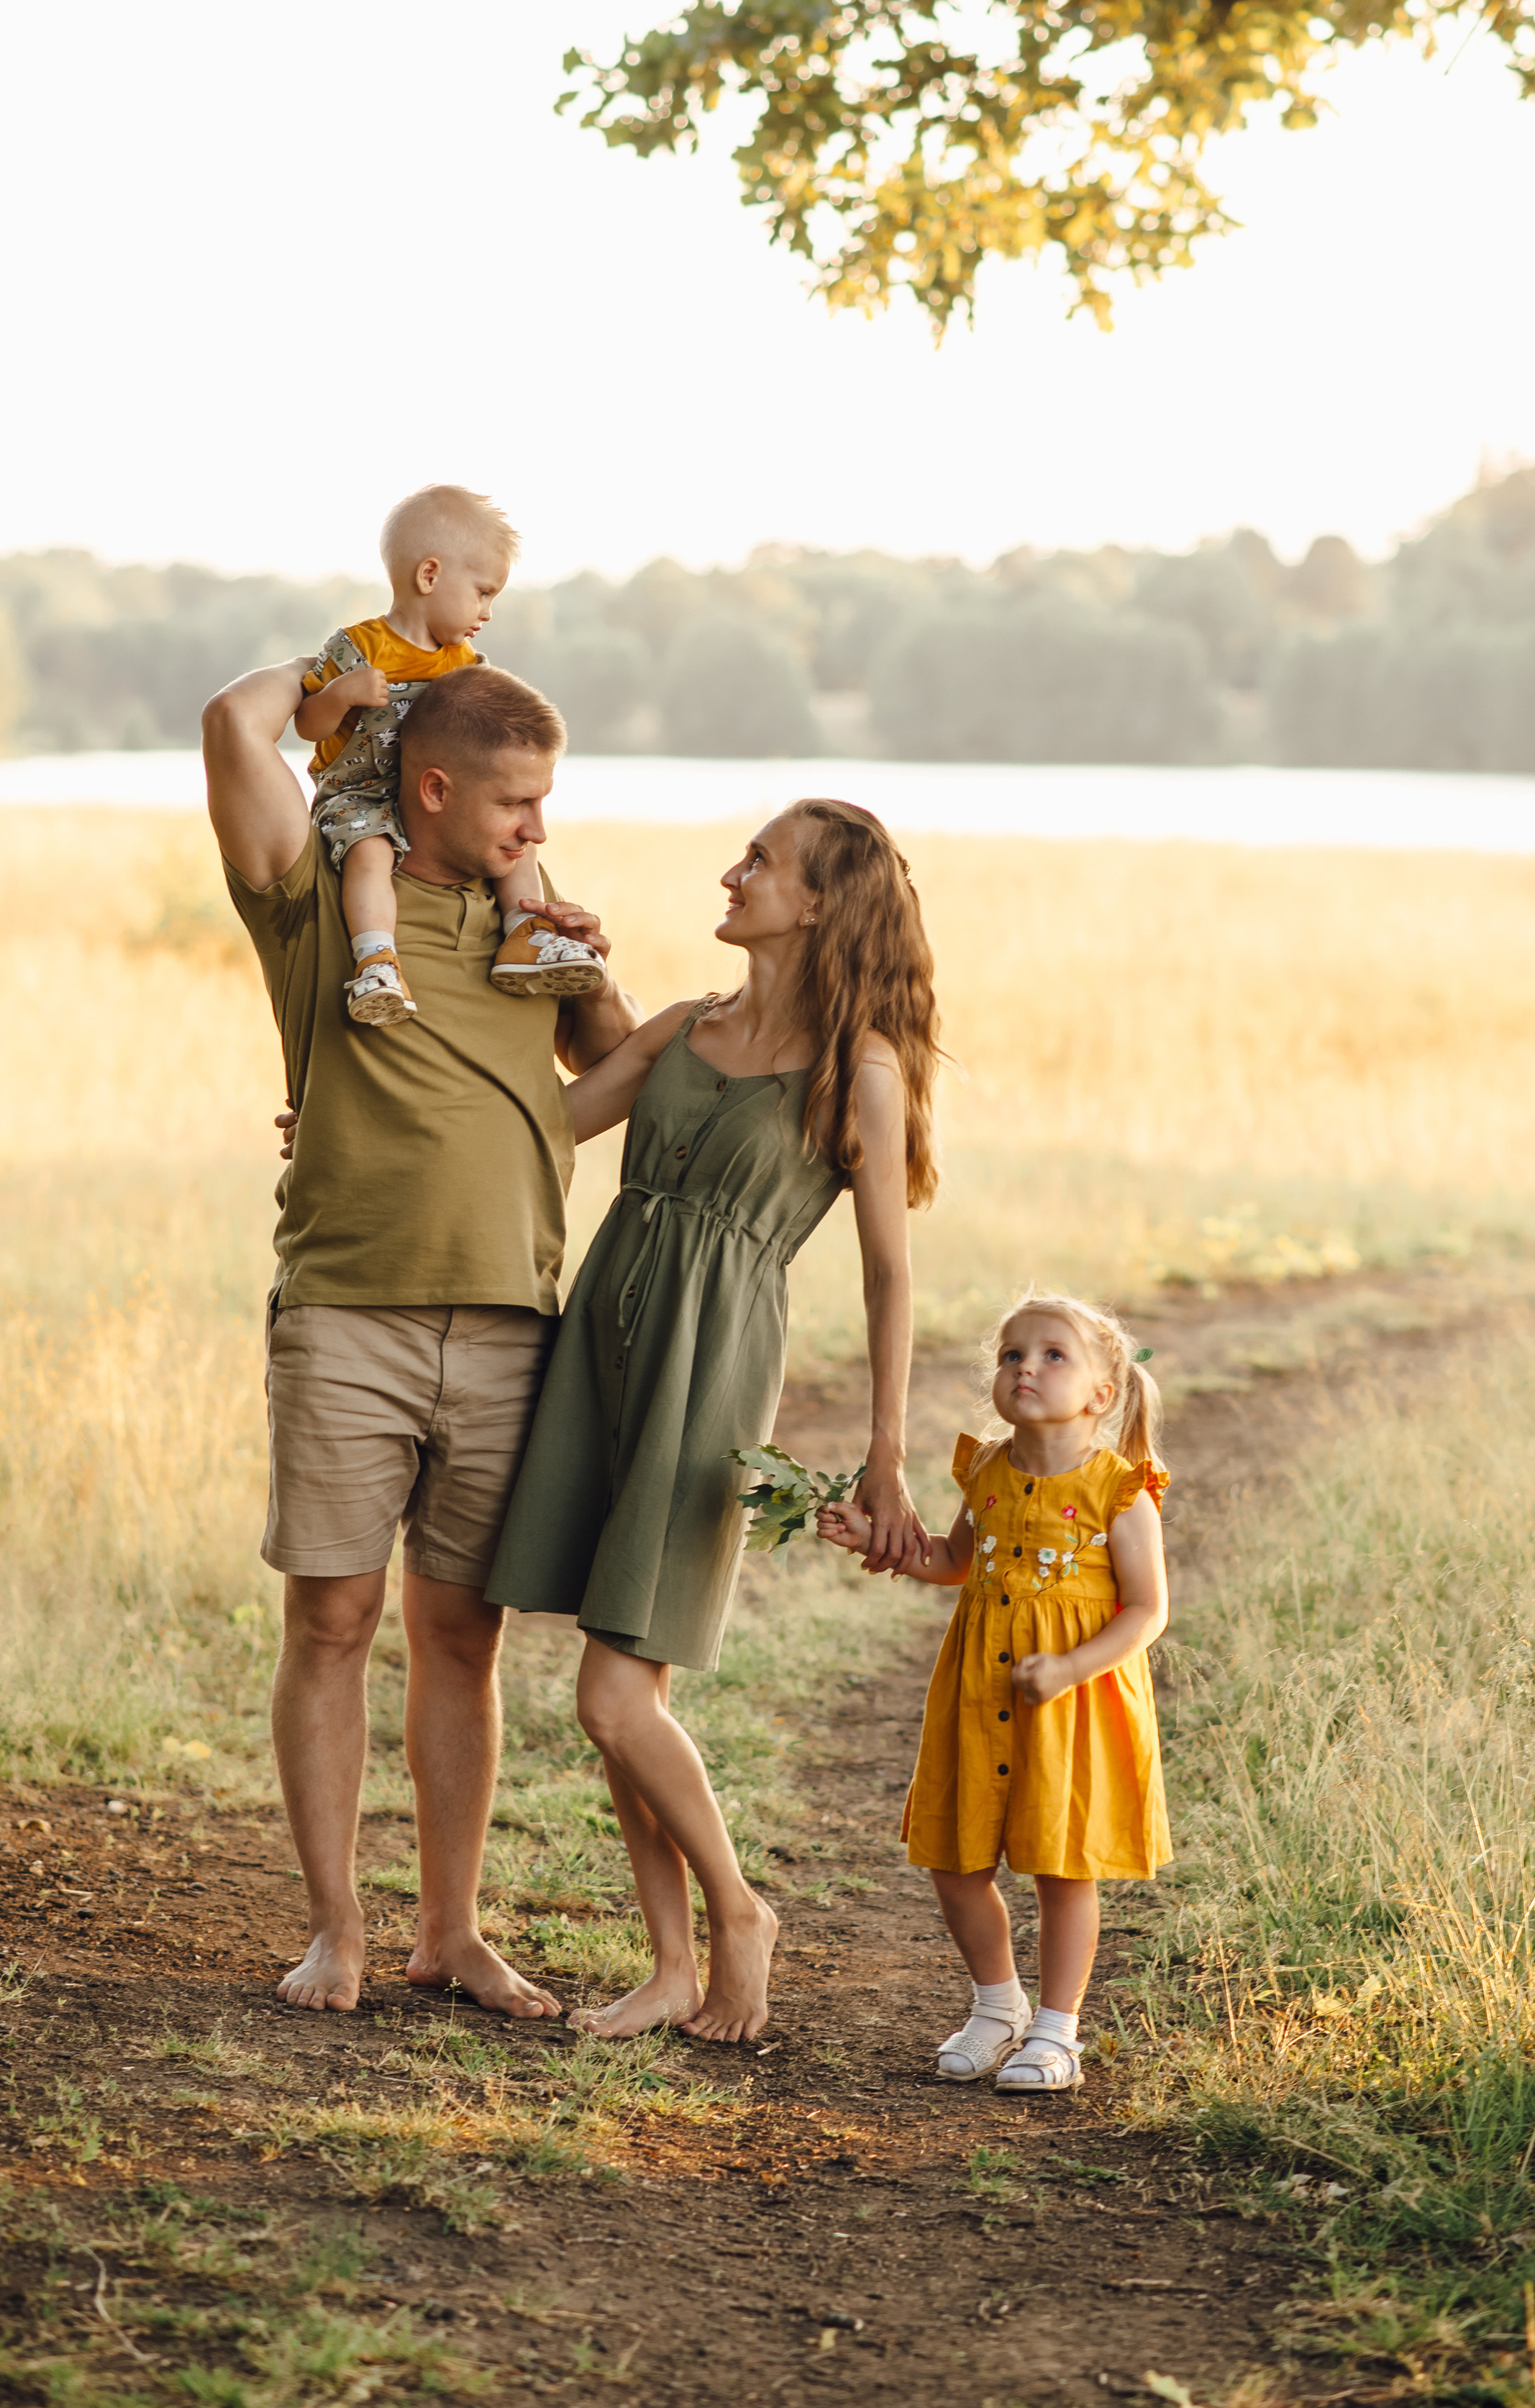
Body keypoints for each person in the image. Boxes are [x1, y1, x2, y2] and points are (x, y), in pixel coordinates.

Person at [202, 652, 641, 2017]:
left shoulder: (528, 922)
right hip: (347, 1312)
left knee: (465, 1633)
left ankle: (450, 1931)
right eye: (517, 800)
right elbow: (234, 722)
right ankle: (336, 1927)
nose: (538, 826)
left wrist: (585, 951)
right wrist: (379, 658)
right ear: (434, 785)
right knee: (333, 1616)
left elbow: (616, 1065)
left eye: (550, 799)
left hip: (512, 1319)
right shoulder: (328, 903)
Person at [486, 799, 940, 2045]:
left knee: (614, 1696)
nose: (733, 874)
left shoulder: (866, 1071)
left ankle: (739, 1915)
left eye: (763, 864)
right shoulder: (687, 1025)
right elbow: (546, 1124)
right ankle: (673, 1964)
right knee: (616, 1677)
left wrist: (888, 1453)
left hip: (711, 1365)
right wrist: (373, 1125)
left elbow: (890, 1271)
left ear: (819, 906)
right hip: (602, 1347)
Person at [819, 1290, 1171, 2092]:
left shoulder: (1122, 1493)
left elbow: (1149, 1610)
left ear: (1099, 1395)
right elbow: (952, 1559)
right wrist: (874, 1541)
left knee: (1061, 1864)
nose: (1025, 1369)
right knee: (954, 1857)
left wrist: (1069, 1668)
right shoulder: (985, 1469)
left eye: (1053, 1356)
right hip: (978, 1693)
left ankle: (1056, 2031)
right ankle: (996, 2005)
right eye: (1013, 1354)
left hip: (1068, 1704)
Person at [294, 482, 606, 1027]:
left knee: (519, 848)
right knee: (370, 855)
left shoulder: (463, 661)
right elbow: (307, 724)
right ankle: (376, 960)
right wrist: (341, 694)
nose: (487, 611)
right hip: (362, 796)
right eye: (483, 592)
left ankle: (524, 934)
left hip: (428, 802)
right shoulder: (359, 647)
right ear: (429, 576)